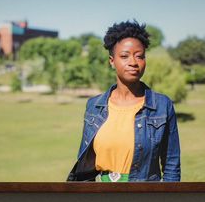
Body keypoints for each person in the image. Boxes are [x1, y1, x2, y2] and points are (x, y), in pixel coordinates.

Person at [67, 20, 180, 182]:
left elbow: (172, 165)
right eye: (124, 56)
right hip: (103, 200)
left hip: (145, 199)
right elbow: (85, 166)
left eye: (139, 56)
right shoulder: (94, 105)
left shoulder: (162, 105)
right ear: (112, 61)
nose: (133, 62)